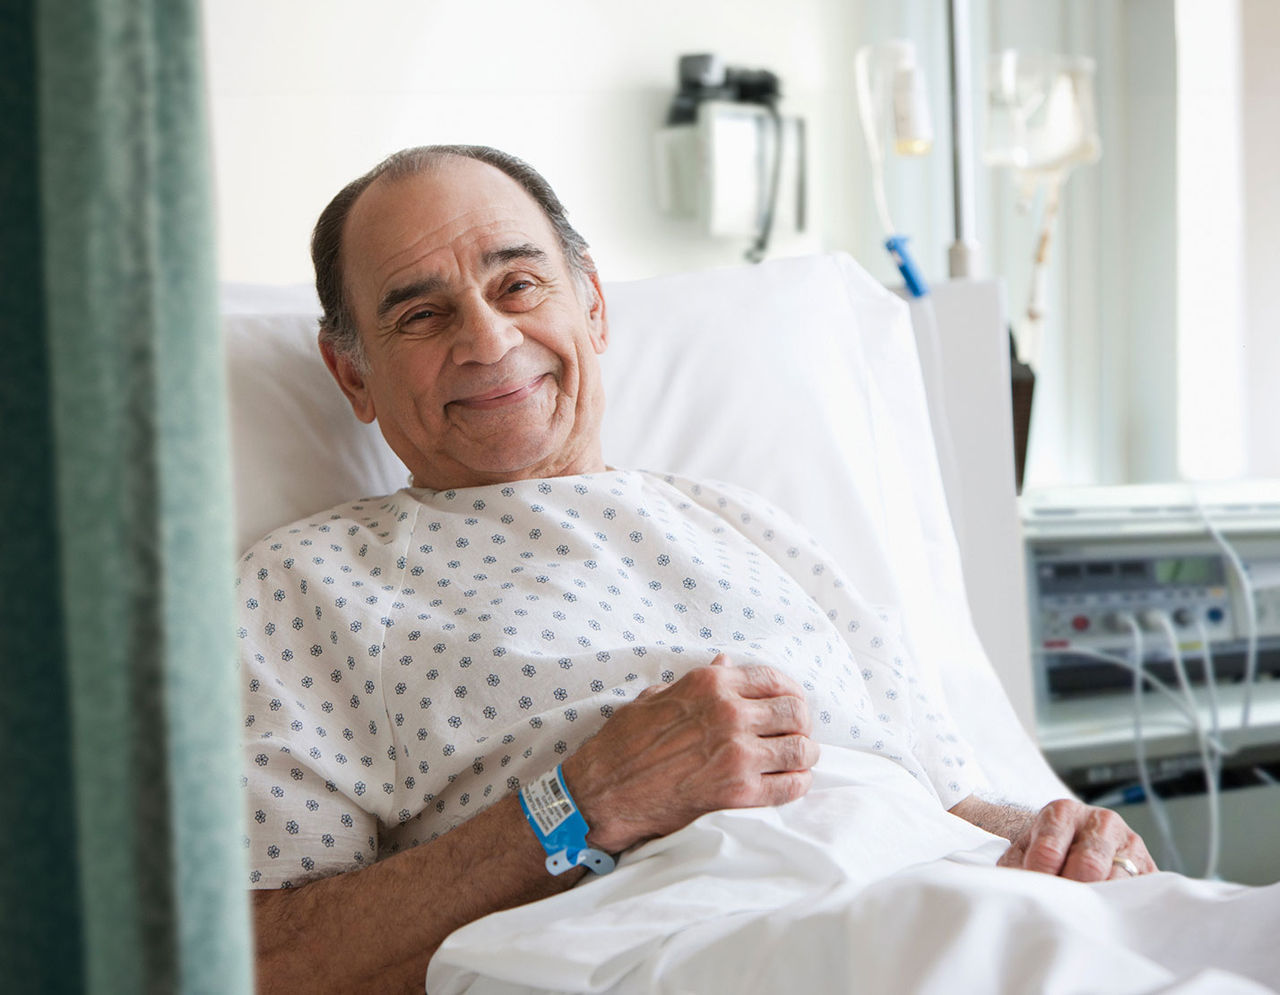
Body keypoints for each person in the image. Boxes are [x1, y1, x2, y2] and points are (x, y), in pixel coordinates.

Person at [239, 145, 1153, 994]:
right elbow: (257, 955)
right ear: (350, 374)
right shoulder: (307, 586)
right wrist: (580, 802)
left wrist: (1063, 840)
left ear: (592, 306)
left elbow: (952, 802)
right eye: (421, 313)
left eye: (519, 284)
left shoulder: (753, 525)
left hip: (964, 902)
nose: (486, 340)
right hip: (701, 942)